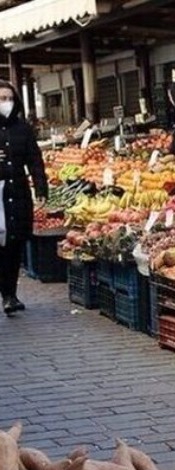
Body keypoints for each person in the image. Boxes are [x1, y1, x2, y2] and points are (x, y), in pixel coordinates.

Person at [0, 79, 47, 316]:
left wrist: (41, 188)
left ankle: (10, 294)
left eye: (9, 98)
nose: (6, 103)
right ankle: (5, 291)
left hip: (18, 192)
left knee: (15, 243)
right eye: (1, 99)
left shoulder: (23, 129)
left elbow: (35, 161)